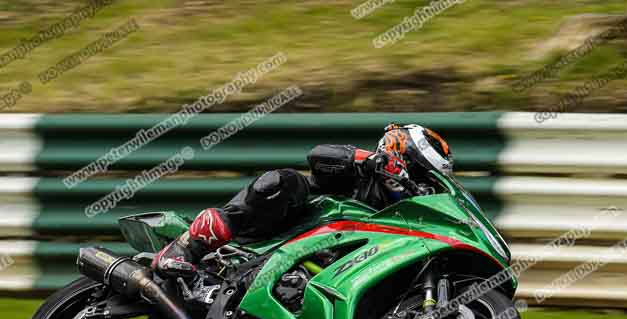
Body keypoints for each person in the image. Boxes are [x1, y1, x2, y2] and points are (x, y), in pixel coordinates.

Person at [152, 123, 454, 277]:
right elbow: (319, 155)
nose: (418, 186)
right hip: (271, 237)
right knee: (284, 181)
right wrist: (366, 160)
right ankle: (186, 246)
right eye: (418, 176)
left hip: (316, 271)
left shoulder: (397, 216)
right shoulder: (361, 174)